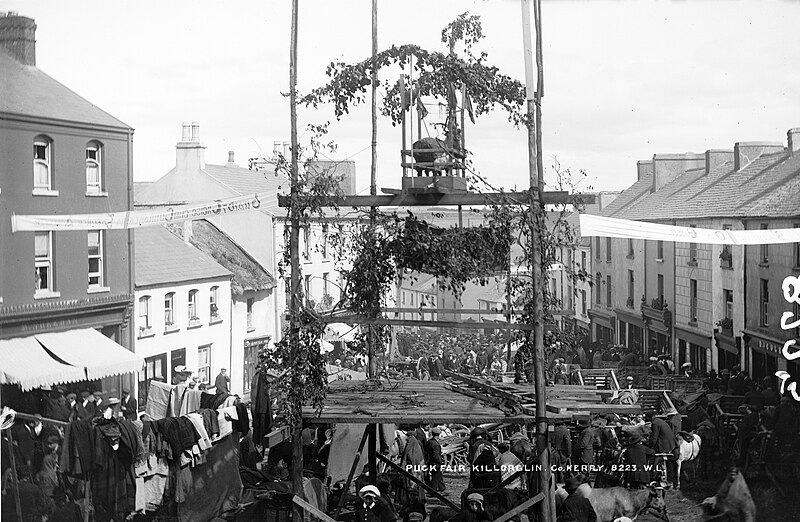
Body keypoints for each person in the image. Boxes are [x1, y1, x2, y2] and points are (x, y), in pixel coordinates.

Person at [646, 411, 676, 486]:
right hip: (670, 444)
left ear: (650, 417)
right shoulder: (660, 421)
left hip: (663, 445)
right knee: (669, 462)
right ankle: (670, 479)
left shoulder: (655, 423)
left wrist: (649, 445)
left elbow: (654, 438)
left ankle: (653, 477)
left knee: (655, 457)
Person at [551, 419, 572, 484]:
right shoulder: (565, 431)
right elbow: (568, 443)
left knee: (554, 471)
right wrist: (568, 454)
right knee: (562, 472)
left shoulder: (553, 430)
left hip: (553, 453)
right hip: (562, 454)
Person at [425, 427, 445, 492]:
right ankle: (433, 491)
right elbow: (436, 455)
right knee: (435, 477)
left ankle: (442, 487)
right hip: (435, 462)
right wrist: (440, 461)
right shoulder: (435, 444)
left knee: (438, 475)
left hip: (429, 461)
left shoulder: (429, 442)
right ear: (438, 435)